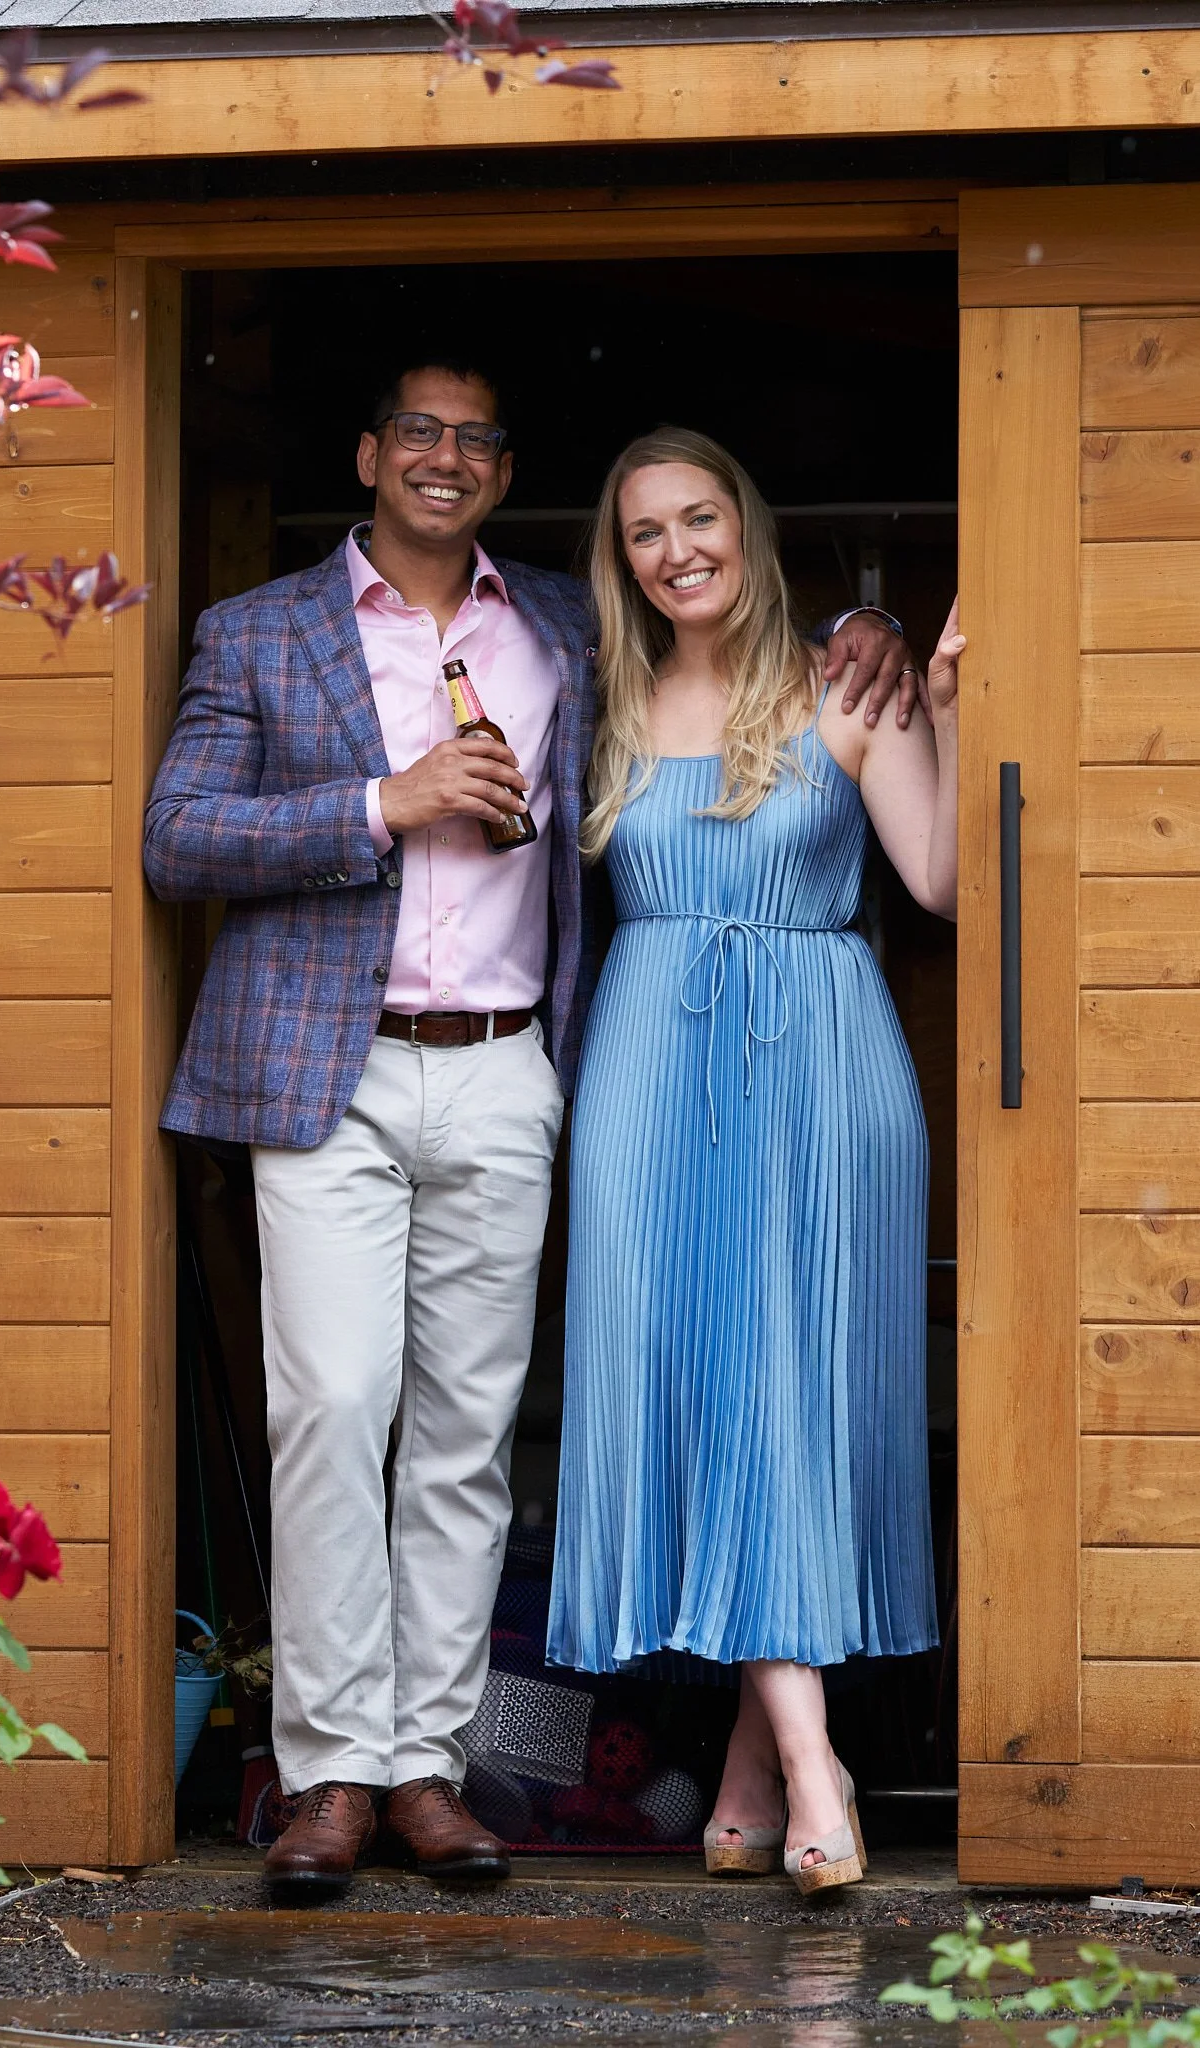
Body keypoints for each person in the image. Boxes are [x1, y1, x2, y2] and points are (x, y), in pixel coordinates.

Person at [144, 365, 921, 1892]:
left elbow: (734, 629)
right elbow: (180, 833)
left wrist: (862, 624)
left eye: (475, 439)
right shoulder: (256, 632)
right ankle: (328, 1774)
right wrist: (385, 799)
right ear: (367, 455)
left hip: (515, 1067)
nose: (444, 458)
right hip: (331, 1070)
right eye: (416, 433)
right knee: (333, 1408)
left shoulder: (568, 631)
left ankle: (430, 1768)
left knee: (465, 1436)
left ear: (503, 474)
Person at [545, 426, 961, 1895]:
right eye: (646, 531)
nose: (678, 550)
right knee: (710, 1394)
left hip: (820, 1066)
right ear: (623, 560)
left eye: (701, 518)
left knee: (785, 1397)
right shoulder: (598, 696)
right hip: (650, 1072)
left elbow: (944, 877)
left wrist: (952, 696)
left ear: (752, 528)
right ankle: (786, 1763)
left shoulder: (851, 680)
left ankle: (790, 1767)